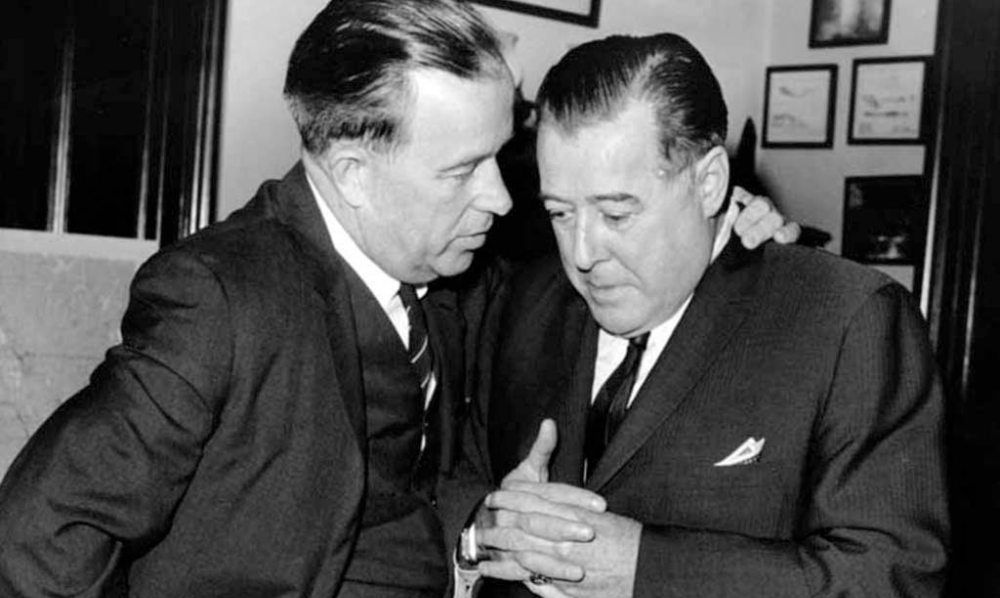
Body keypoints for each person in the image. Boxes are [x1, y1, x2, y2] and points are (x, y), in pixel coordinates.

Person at [0, 3, 796, 597]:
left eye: (500, 156)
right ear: (353, 173)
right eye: (463, 170)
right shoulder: (222, 296)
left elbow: (589, 277)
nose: (499, 198)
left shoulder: (451, 274)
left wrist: (718, 230)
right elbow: (39, 535)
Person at [468, 33, 949, 597]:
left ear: (710, 182)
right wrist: (486, 529)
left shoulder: (848, 321)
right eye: (560, 213)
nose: (582, 253)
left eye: (617, 214)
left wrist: (644, 568)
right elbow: (450, 485)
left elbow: (890, 578)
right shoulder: (523, 300)